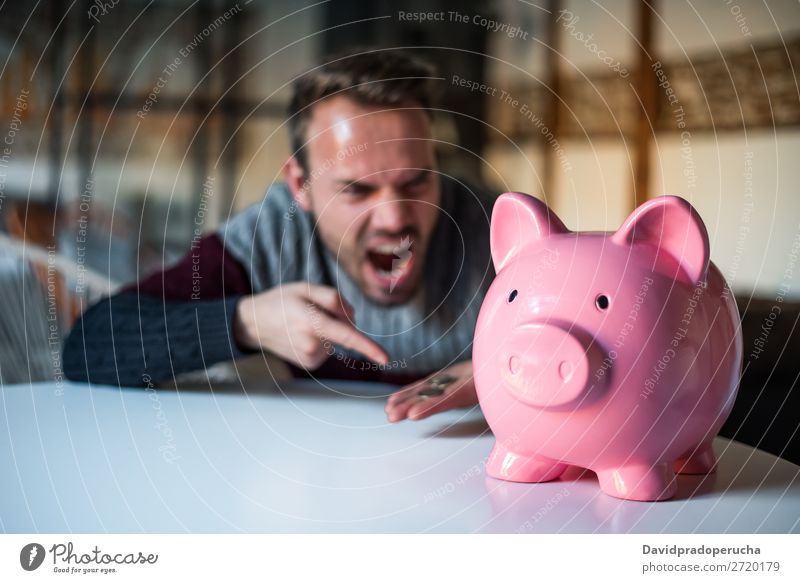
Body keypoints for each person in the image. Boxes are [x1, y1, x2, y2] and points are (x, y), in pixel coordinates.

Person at [62, 48, 495, 422]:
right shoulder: (269, 236)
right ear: (299, 184)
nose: (394, 217)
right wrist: (243, 322)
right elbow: (89, 345)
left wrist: (496, 372)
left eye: (416, 181)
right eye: (357, 189)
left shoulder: (499, 229)